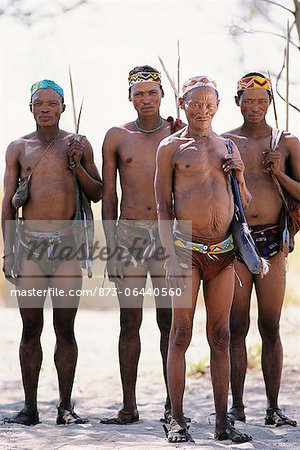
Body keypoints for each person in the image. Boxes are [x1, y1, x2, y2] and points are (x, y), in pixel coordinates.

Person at [155, 76, 253, 443]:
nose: (203, 109)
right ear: (182, 104)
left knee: (222, 334)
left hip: (224, 253)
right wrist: (169, 253)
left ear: (217, 105)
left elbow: (246, 202)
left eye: (209, 103)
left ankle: (221, 424)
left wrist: (240, 174)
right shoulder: (170, 147)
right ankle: (177, 421)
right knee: (181, 333)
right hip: (187, 251)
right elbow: (163, 204)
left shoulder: (227, 145)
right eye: (195, 103)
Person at [2, 79, 102, 425]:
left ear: (62, 107)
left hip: (66, 247)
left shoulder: (78, 144)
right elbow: (7, 204)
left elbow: (98, 192)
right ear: (30, 109)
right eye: (39, 103)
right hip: (29, 246)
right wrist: (8, 251)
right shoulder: (18, 148)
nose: (45, 108)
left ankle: (65, 407)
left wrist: (77, 165)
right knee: (30, 328)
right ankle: (30, 408)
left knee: (65, 328)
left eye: (52, 103)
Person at [101, 65, 183, 425]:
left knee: (169, 322)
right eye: (139, 93)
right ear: (130, 97)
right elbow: (107, 198)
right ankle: (129, 406)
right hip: (130, 234)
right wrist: (112, 248)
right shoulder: (117, 137)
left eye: (152, 92)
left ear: (162, 94)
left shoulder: (179, 132)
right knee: (129, 321)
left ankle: (171, 403)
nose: (146, 99)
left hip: (169, 235)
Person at [222, 72, 299, 427]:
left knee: (270, 326)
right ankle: (236, 407)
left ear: (270, 103)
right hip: (237, 240)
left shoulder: (286, 141)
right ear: (237, 101)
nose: (255, 107)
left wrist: (280, 173)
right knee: (236, 325)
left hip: (272, 240)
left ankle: (273, 408)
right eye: (248, 100)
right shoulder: (223, 142)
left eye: (262, 100)